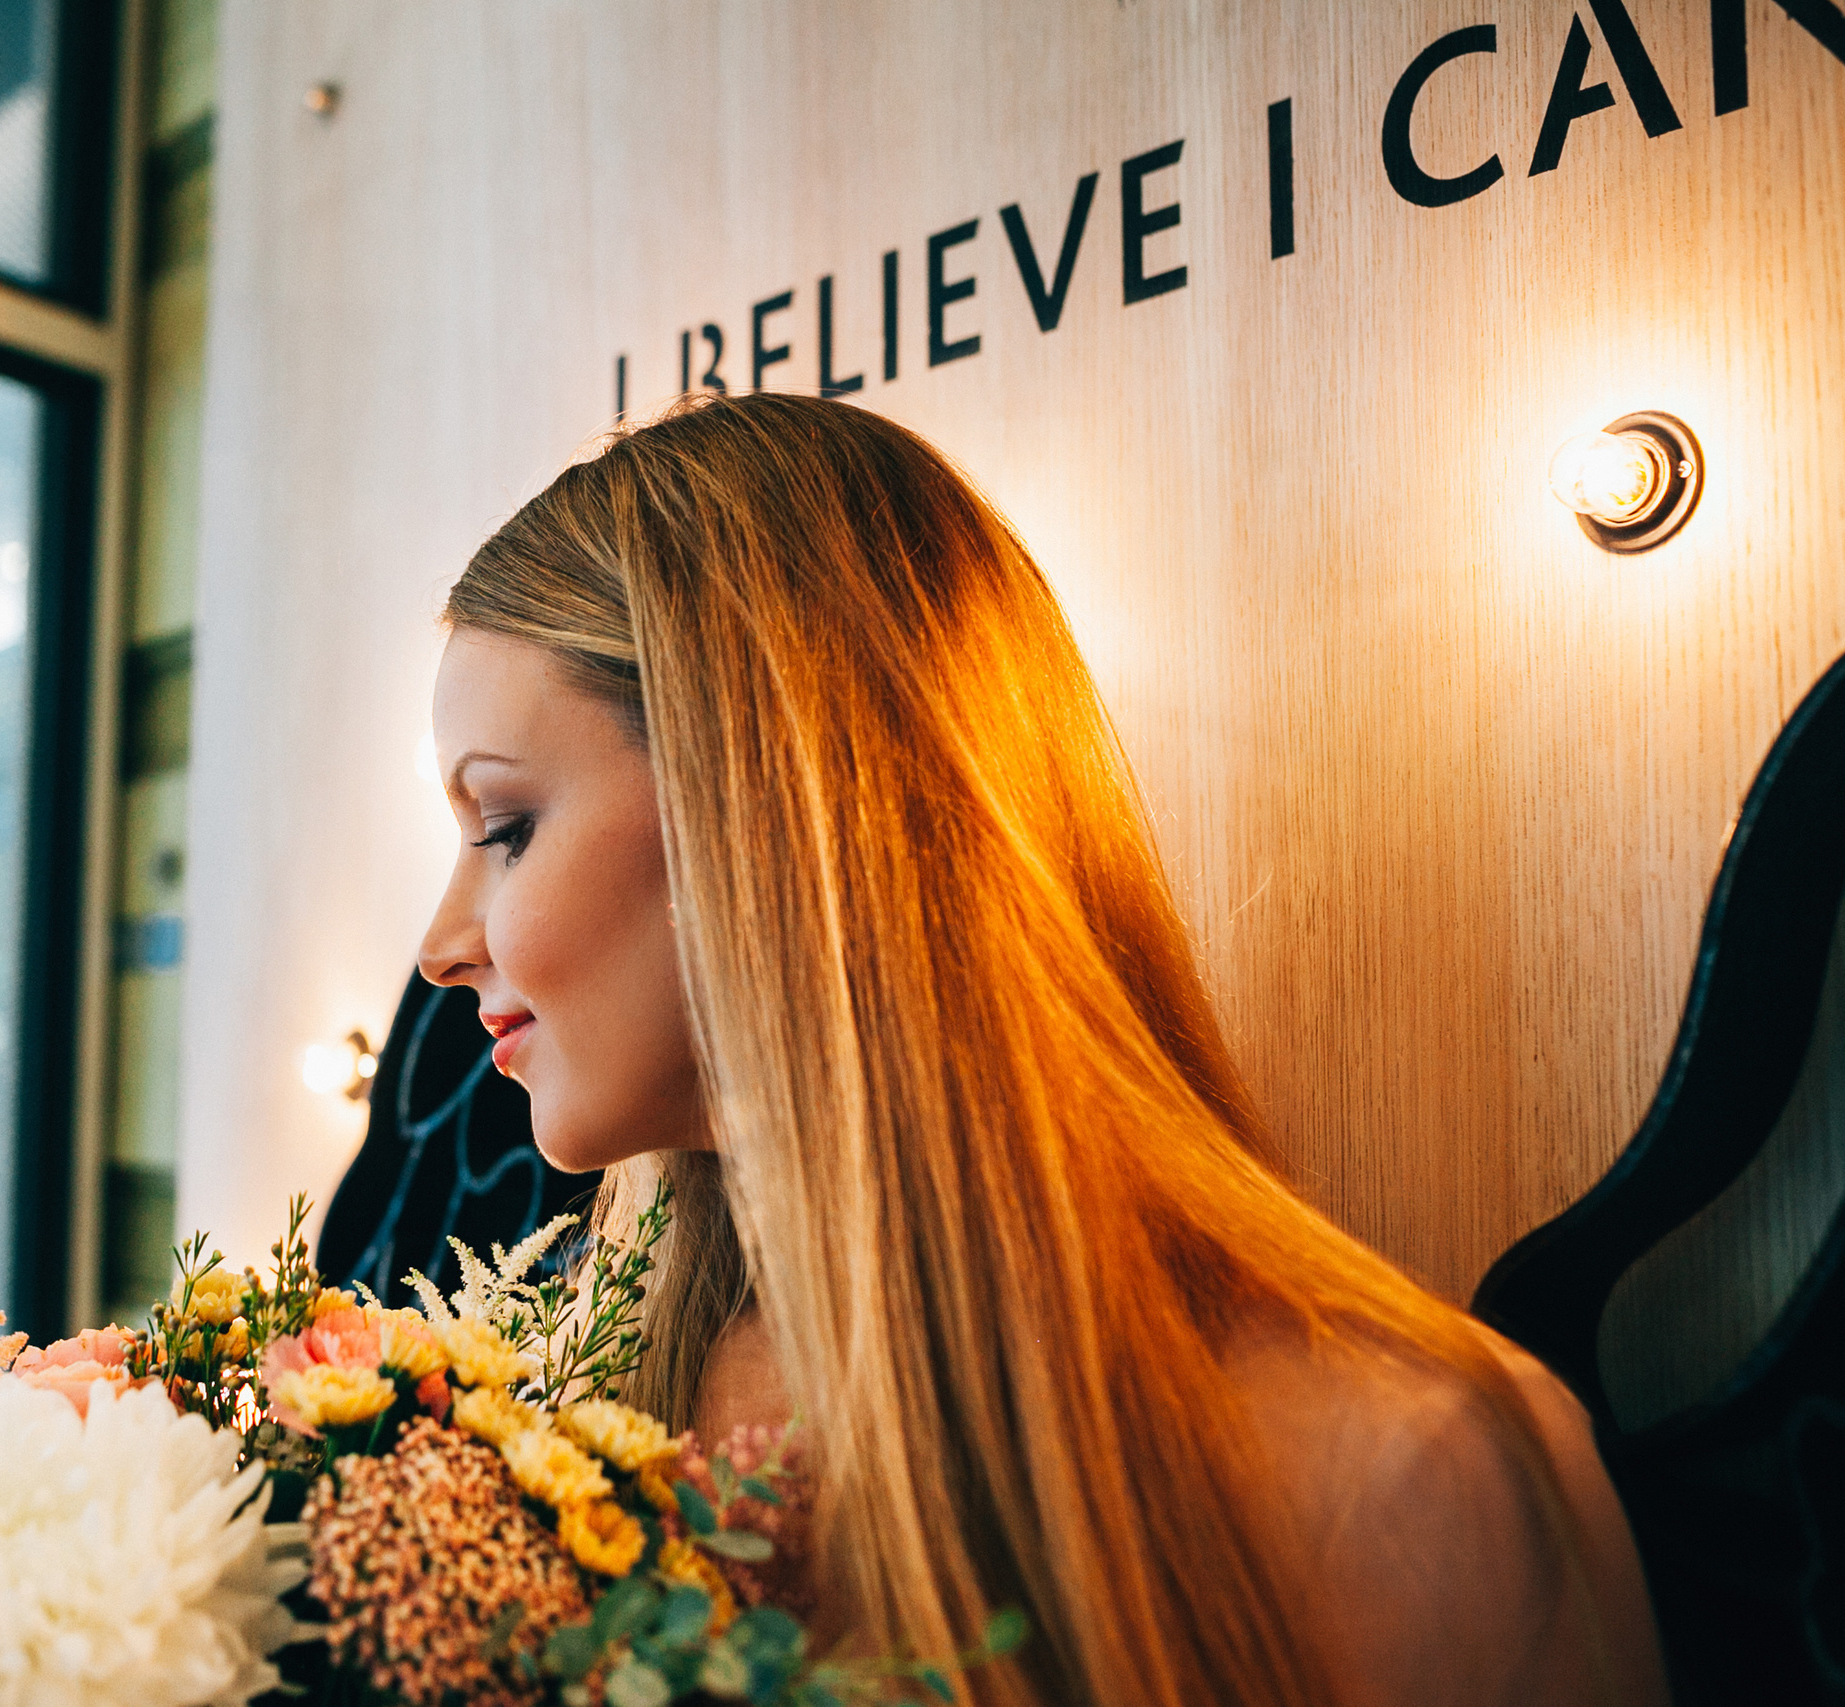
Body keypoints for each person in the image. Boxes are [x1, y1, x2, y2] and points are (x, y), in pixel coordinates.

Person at [415, 392, 1667, 1707]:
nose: (442, 945)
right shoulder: (573, 1404)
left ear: (764, 800)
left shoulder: (1414, 1479)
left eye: (503, 824)